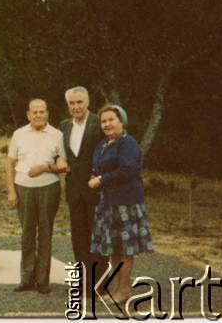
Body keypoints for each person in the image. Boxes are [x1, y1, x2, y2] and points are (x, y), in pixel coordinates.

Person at [88, 104, 153, 303]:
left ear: (121, 122)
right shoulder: (103, 144)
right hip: (108, 203)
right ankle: (116, 288)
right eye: (103, 121)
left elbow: (129, 170)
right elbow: (98, 167)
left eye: (111, 120)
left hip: (126, 203)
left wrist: (101, 180)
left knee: (124, 249)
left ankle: (124, 290)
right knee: (114, 248)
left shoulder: (128, 143)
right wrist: (95, 176)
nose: (107, 124)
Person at [6, 99, 68, 294]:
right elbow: (9, 164)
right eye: (35, 112)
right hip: (23, 188)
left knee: (45, 233)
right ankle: (26, 279)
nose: (39, 115)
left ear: (47, 114)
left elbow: (63, 165)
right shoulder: (19, 134)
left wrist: (45, 167)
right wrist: (11, 191)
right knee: (27, 234)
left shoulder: (57, 135)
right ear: (28, 114)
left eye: (42, 112)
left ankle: (42, 281)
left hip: (49, 188)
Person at [60, 86, 109, 293]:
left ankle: (100, 284)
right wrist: (59, 159)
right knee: (78, 238)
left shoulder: (99, 123)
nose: (76, 107)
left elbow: (109, 151)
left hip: (95, 190)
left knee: (97, 237)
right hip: (74, 191)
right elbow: (60, 152)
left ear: (87, 103)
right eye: (72, 103)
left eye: (79, 102)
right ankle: (83, 282)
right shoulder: (63, 126)